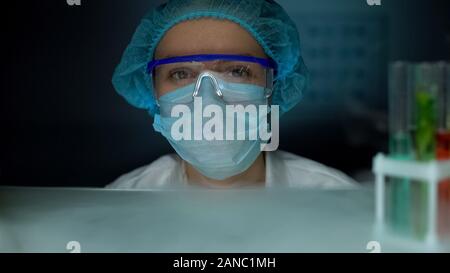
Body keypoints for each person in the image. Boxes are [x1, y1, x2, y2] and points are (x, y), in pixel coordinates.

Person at [107, 0, 357, 189]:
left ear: (274, 85)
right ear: (153, 90)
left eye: (237, 71)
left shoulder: (335, 197)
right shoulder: (120, 201)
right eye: (181, 74)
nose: (208, 99)